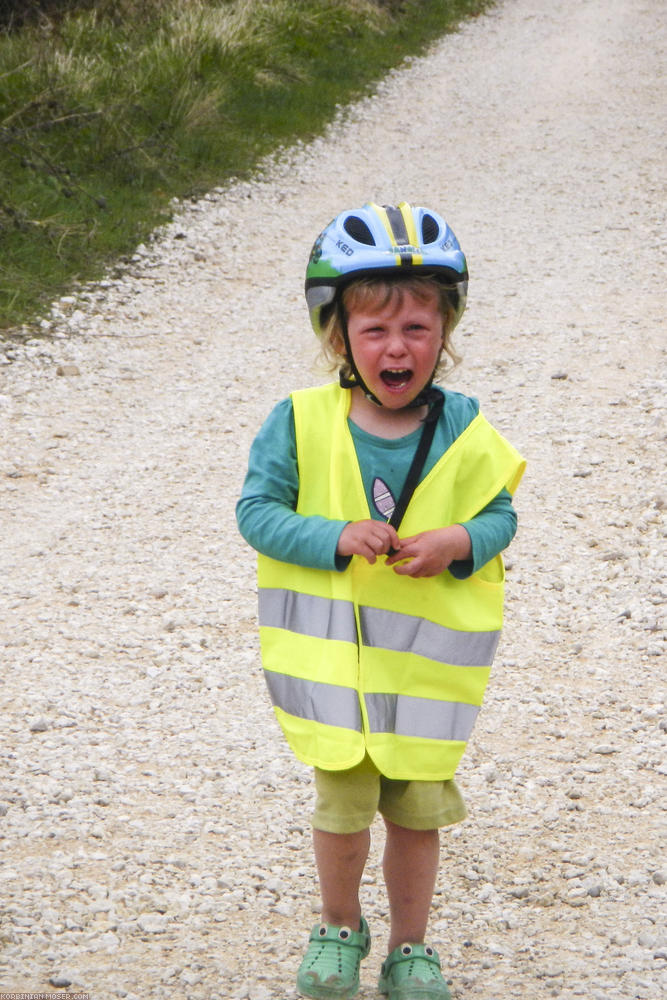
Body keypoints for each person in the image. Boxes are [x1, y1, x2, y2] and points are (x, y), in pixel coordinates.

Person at [236, 202, 525, 1000]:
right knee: (341, 807)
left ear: (445, 333)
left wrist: (457, 543)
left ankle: (410, 945)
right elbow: (256, 514)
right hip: (334, 679)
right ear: (338, 338)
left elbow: (499, 513)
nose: (396, 347)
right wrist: (331, 535)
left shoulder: (464, 425)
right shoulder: (296, 422)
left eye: (416, 329)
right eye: (374, 331)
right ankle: (336, 924)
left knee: (416, 813)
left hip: (424, 679)